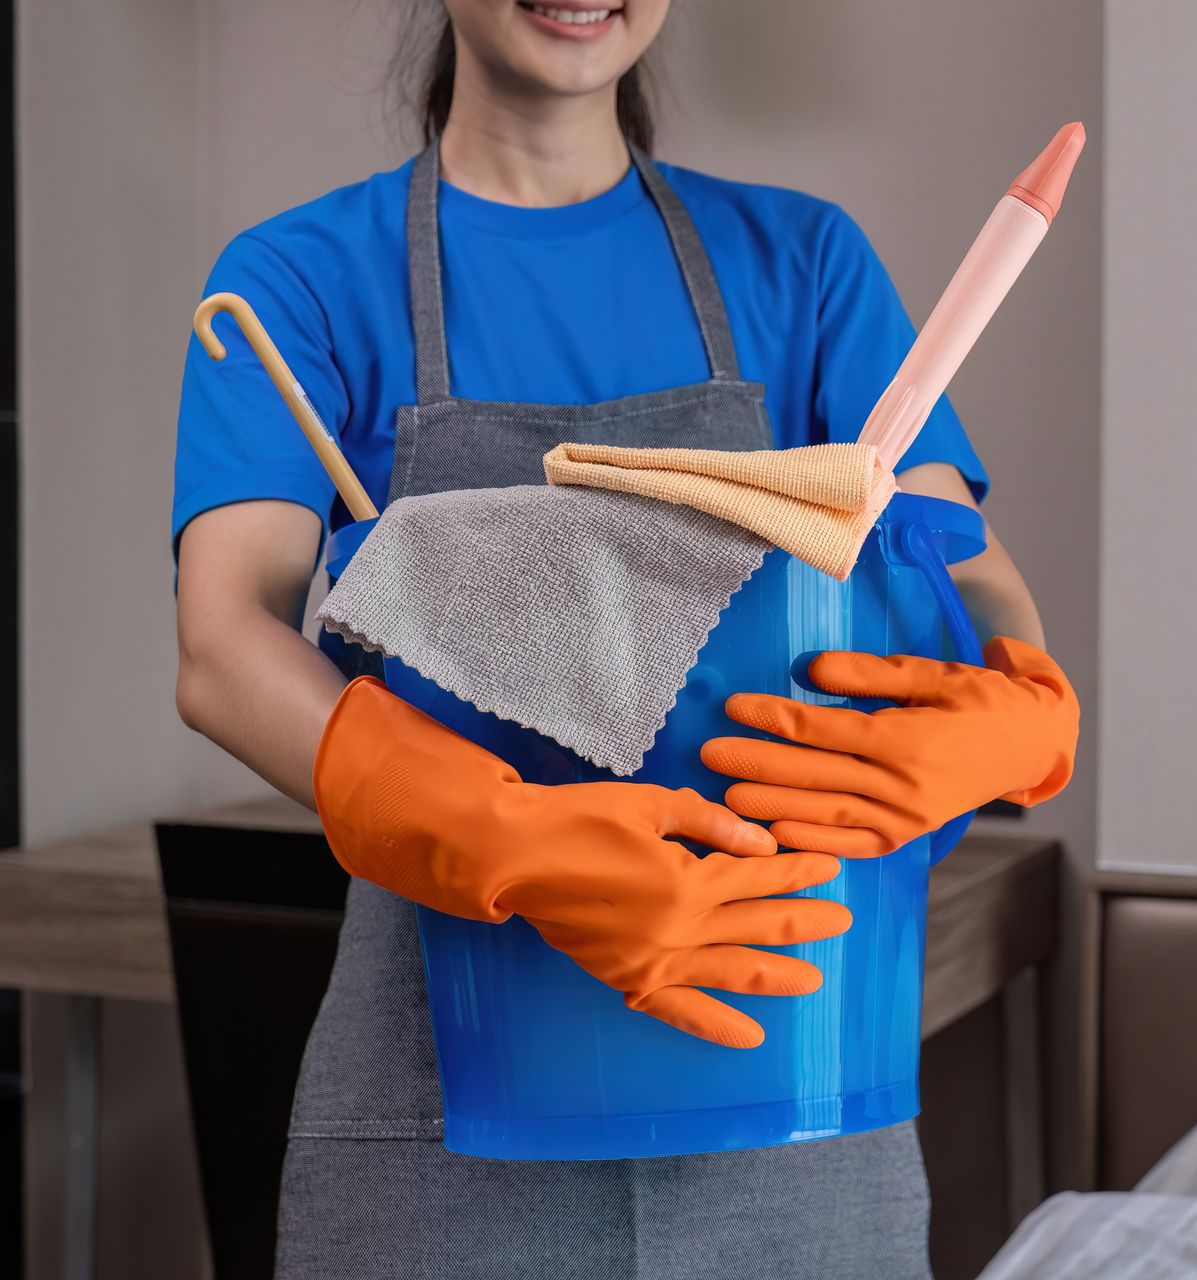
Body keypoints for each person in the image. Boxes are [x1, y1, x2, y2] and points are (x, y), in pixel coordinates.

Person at [171, 2, 1079, 1277]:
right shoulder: (303, 278)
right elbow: (223, 646)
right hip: (439, 1119)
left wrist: (1022, 708)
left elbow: (969, 586)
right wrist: (503, 832)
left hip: (793, 1099)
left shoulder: (804, 265)